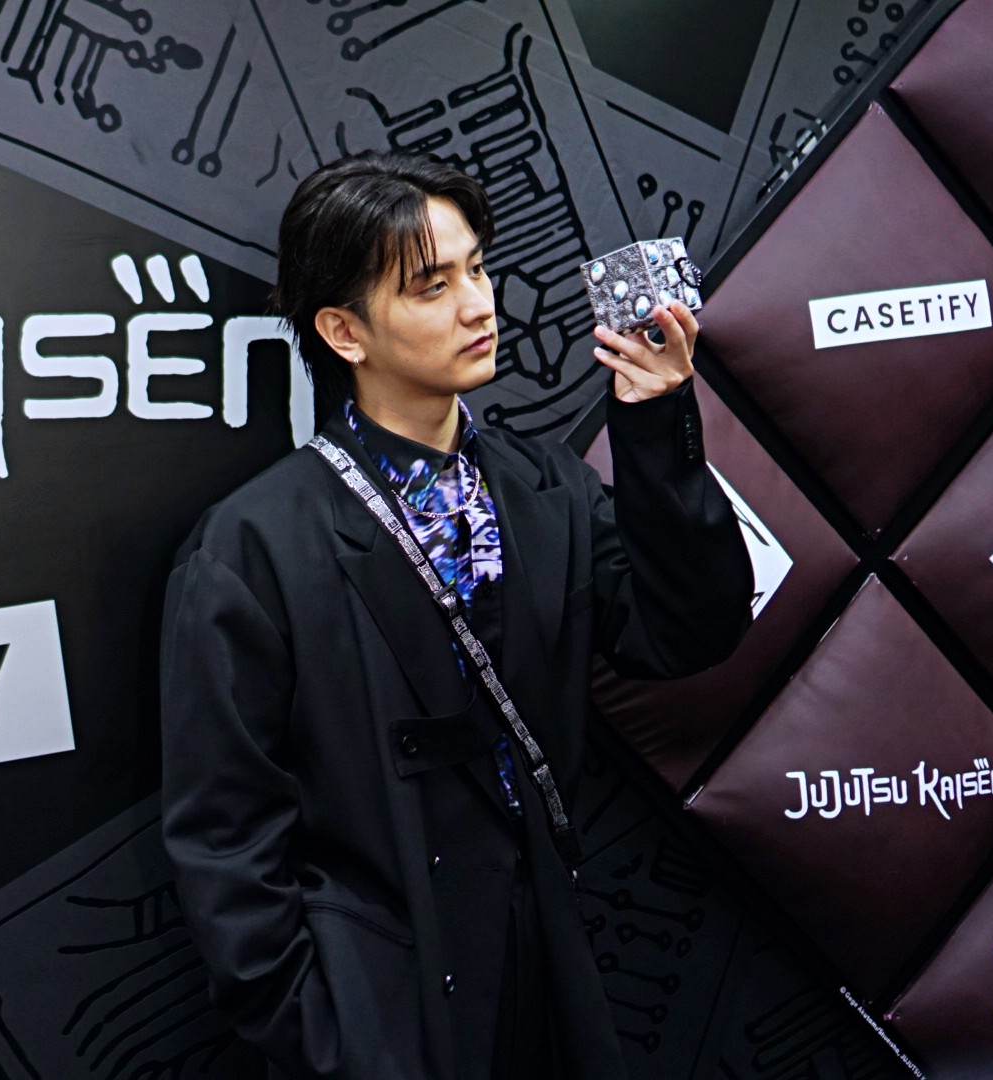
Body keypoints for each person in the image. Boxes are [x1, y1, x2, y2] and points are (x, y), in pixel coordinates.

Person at [159, 152, 753, 1079]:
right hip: (382, 1003)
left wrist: (654, 421)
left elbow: (686, 631)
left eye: (478, 269)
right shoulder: (252, 547)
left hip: (545, 973)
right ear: (343, 331)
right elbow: (225, 839)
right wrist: (327, 1036)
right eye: (432, 286)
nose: (479, 305)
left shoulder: (545, 488)